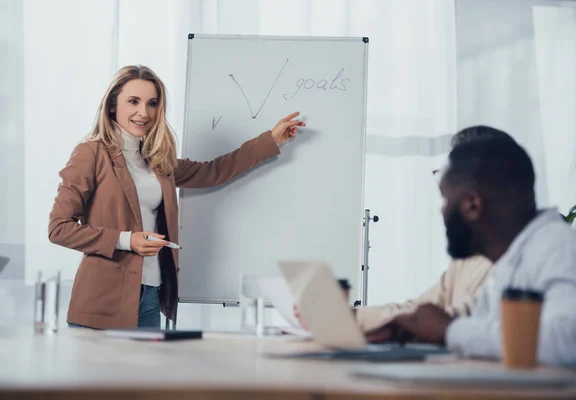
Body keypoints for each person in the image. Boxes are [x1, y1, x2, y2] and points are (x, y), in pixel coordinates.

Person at [48, 65, 306, 330]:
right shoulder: (91, 153)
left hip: (150, 296)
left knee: (147, 373)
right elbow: (59, 228)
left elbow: (213, 171)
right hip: (102, 303)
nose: (143, 112)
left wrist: (272, 140)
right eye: (133, 101)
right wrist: (127, 240)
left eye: (152, 103)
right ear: (113, 105)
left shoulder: (157, 160)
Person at [368, 135, 576, 367]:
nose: (443, 212)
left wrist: (449, 330)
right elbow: (494, 348)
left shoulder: (560, 248)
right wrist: (431, 336)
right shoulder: (509, 264)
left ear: (472, 205)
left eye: (445, 200)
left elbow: (567, 341)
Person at [355, 126, 515, 333]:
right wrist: (351, 315)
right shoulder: (467, 260)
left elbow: (456, 318)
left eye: (447, 191)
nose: (443, 209)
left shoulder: (525, 259)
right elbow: (417, 309)